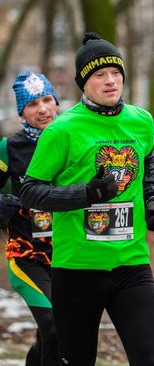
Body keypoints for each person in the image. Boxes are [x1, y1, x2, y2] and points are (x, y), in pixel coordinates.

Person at [20, 32, 154, 366]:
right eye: (100, 74)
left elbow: (149, 165)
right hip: (77, 269)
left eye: (116, 72)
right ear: (83, 83)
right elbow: (29, 190)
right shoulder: (62, 130)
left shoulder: (141, 121)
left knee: (149, 360)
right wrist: (84, 194)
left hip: (131, 264)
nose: (111, 81)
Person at [0, 71, 60, 365]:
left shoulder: (72, 139)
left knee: (52, 334)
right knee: (54, 325)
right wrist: (4, 205)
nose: (43, 109)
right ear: (21, 113)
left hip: (69, 255)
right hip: (27, 257)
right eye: (33, 104)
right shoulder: (9, 148)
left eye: (47, 100)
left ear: (57, 103)